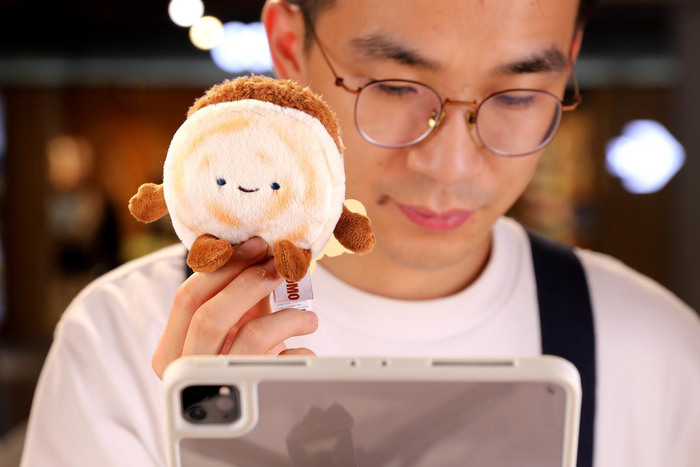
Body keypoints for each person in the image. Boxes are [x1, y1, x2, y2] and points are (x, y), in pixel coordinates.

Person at [20, 0, 700, 466]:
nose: (450, 165)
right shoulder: (122, 339)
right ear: (290, 47)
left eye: (520, 96)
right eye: (395, 86)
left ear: (570, 62)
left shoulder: (658, 352)